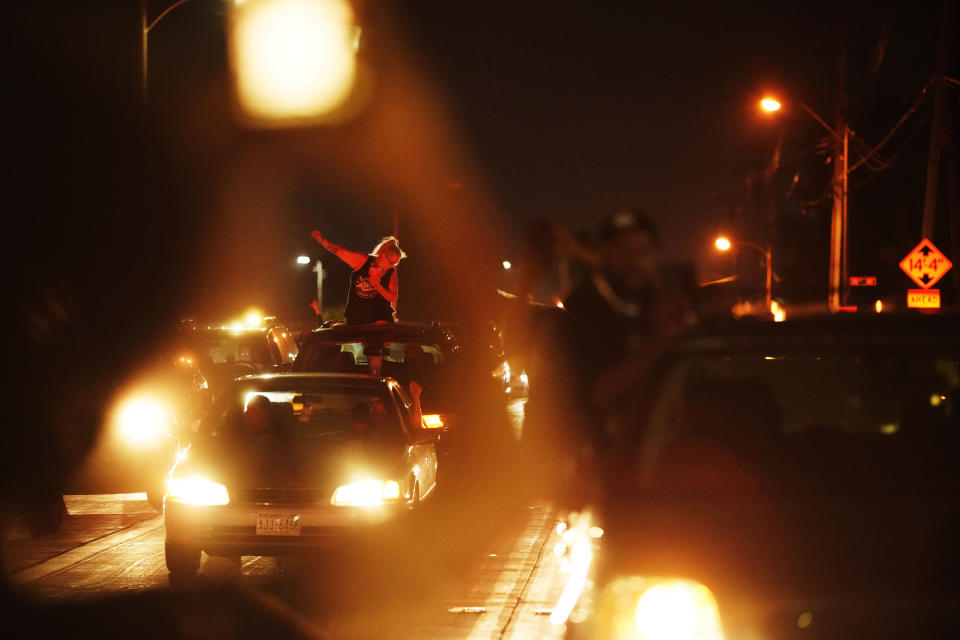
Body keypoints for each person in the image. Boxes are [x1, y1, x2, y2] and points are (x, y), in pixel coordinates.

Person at [311, 231, 407, 375]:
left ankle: (376, 378)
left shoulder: (390, 273)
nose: (391, 266)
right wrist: (322, 241)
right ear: (382, 255)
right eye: (390, 262)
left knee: (375, 342)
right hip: (358, 316)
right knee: (353, 341)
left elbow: (392, 297)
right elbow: (339, 251)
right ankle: (348, 374)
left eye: (395, 263)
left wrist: (378, 285)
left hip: (379, 317)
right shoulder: (363, 261)